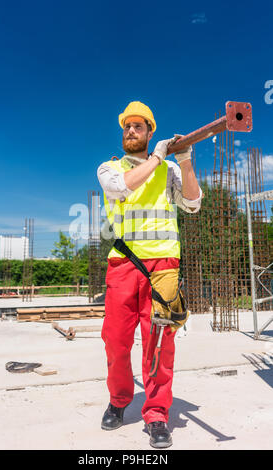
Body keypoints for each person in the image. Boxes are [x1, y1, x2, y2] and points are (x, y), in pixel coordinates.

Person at [97, 101, 202, 448]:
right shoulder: (109, 168)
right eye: (126, 126)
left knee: (160, 343)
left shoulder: (169, 169)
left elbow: (192, 203)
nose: (131, 131)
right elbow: (122, 187)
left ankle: (157, 414)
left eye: (138, 126)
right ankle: (120, 398)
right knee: (115, 339)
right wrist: (157, 157)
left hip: (164, 267)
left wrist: (185, 162)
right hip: (123, 265)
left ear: (150, 131)